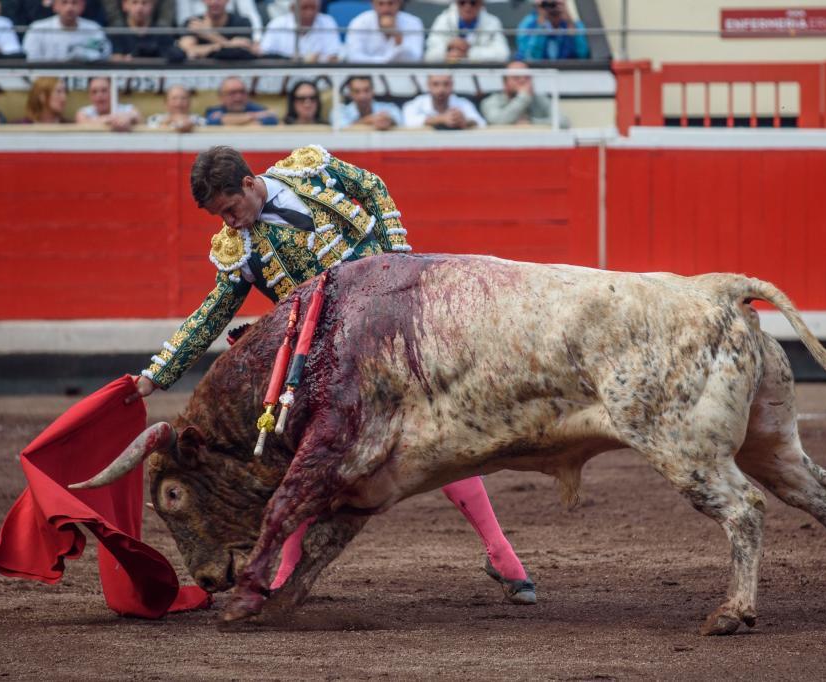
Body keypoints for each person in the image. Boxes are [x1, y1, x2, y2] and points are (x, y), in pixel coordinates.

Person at [132, 144, 536, 604]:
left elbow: (373, 188)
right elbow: (210, 315)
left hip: (393, 330)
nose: (229, 222)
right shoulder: (239, 249)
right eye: (219, 217)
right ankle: (283, 574)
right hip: (331, 362)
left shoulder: (310, 168)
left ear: (248, 184)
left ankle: (500, 552)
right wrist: (155, 375)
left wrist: (396, 256)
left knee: (435, 435)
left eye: (230, 209)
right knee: (315, 456)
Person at [479, 59, 568, 128]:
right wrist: (523, 97)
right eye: (516, 77)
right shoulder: (490, 101)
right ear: (505, 83)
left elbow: (563, 121)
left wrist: (531, 122)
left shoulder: (540, 99)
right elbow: (496, 122)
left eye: (527, 77)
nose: (523, 80)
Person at [21, 0, 112, 61]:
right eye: (64, 2)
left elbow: (102, 56)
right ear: (55, 6)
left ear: (82, 6)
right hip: (49, 84)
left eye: (74, 2)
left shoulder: (94, 29)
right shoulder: (37, 29)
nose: (69, 8)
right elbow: (31, 62)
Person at [424, 0, 508, 63]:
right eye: (462, 2)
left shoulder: (492, 22)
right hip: (448, 76)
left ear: (481, 3)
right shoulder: (443, 19)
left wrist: (469, 53)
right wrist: (448, 47)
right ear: (456, 3)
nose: (467, 7)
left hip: (481, 74)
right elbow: (429, 56)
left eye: (473, 2)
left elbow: (502, 54)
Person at [258, 0, 340, 61]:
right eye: (304, 8)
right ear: (292, 8)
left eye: (313, 8)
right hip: (282, 77)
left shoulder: (328, 22)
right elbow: (265, 55)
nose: (309, 13)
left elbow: (333, 57)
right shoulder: (277, 24)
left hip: (319, 77)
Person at [344, 0, 423, 63]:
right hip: (366, 76)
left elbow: (415, 59)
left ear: (399, 3)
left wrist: (397, 37)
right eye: (380, 4)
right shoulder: (359, 23)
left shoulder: (414, 23)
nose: (386, 9)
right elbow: (354, 57)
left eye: (391, 3)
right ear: (372, 4)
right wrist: (385, 62)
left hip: (400, 76)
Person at [177, 0, 256, 60]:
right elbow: (186, 50)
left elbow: (244, 50)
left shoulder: (242, 22)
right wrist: (221, 46)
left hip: (234, 71)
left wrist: (210, 35)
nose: (214, 2)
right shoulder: (193, 23)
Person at [402, 73, 484, 129]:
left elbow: (480, 123)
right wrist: (441, 119)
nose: (441, 89)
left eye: (446, 84)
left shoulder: (464, 103)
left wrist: (465, 121)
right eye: (436, 84)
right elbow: (408, 122)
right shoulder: (416, 103)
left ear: (452, 85)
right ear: (428, 85)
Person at [515, 0, 589, 61]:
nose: (552, 6)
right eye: (548, 4)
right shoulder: (528, 23)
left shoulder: (573, 24)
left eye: (555, 3)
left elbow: (582, 54)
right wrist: (541, 25)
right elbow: (530, 57)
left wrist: (569, 22)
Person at [330, 74, 401, 130]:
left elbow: (399, 120)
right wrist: (369, 120)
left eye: (366, 90)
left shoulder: (389, 107)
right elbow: (342, 130)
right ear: (350, 93)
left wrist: (389, 121)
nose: (362, 96)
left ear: (373, 90)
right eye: (357, 91)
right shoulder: (340, 111)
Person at [110, 0, 177, 58]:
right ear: (125, 5)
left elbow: (169, 60)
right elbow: (114, 60)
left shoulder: (162, 33)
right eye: (134, 2)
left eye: (144, 3)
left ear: (152, 5)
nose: (140, 8)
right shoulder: (117, 33)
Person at [75, 76, 143, 131]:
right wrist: (111, 119)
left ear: (113, 92)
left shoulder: (127, 109)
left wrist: (128, 118)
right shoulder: (84, 112)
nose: (99, 95)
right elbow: (83, 123)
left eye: (104, 90)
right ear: (89, 95)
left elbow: (137, 116)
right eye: (94, 92)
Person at [204, 76, 278, 125]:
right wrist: (255, 116)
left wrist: (227, 120)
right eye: (232, 93)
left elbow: (271, 120)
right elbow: (211, 122)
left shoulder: (256, 108)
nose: (238, 97)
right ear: (221, 97)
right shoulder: (213, 110)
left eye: (242, 92)